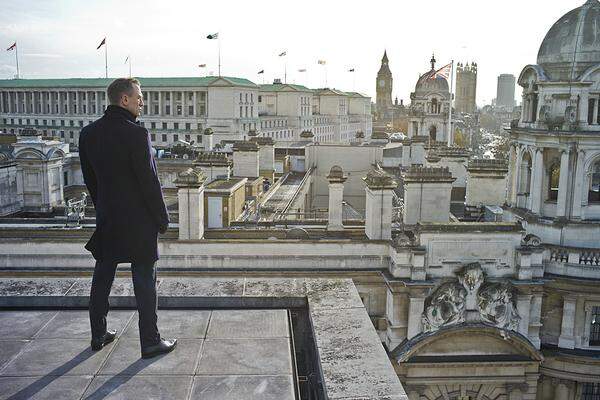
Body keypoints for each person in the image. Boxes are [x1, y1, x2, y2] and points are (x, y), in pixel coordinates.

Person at [79, 78, 176, 359]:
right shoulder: (137, 134)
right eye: (139, 97)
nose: (141, 102)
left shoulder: (88, 134)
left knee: (103, 274)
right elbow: (149, 182)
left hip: (109, 217)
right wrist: (162, 218)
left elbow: (90, 180)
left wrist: (104, 208)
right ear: (124, 100)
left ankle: (98, 333)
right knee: (144, 279)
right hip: (139, 221)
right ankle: (150, 341)